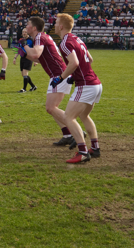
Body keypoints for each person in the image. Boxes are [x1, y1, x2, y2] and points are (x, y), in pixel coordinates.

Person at [53, 13, 102, 164]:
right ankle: (95, 148)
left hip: (86, 85)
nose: (54, 25)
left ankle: (83, 152)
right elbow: (90, 59)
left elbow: (73, 63)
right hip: (95, 83)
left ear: (61, 26)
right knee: (84, 116)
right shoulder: (77, 39)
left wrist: (61, 78)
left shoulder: (65, 42)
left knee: (68, 117)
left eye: (56, 22)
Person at [24, 16, 74, 147]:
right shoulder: (41, 37)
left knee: (50, 108)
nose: (26, 26)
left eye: (28, 24)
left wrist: (23, 45)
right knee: (52, 109)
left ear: (34, 28)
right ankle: (68, 135)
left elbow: (35, 55)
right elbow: (38, 59)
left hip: (60, 75)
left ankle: (76, 130)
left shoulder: (40, 37)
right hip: (58, 75)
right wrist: (22, 52)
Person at [12, 28, 38, 93]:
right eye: (23, 32)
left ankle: (24, 89)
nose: (24, 33)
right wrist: (15, 58)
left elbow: (35, 50)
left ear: (28, 33)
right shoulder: (21, 40)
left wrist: (35, 60)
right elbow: (17, 49)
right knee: (23, 74)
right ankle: (33, 86)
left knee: (25, 73)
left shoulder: (31, 40)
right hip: (22, 58)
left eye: (25, 32)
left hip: (29, 58)